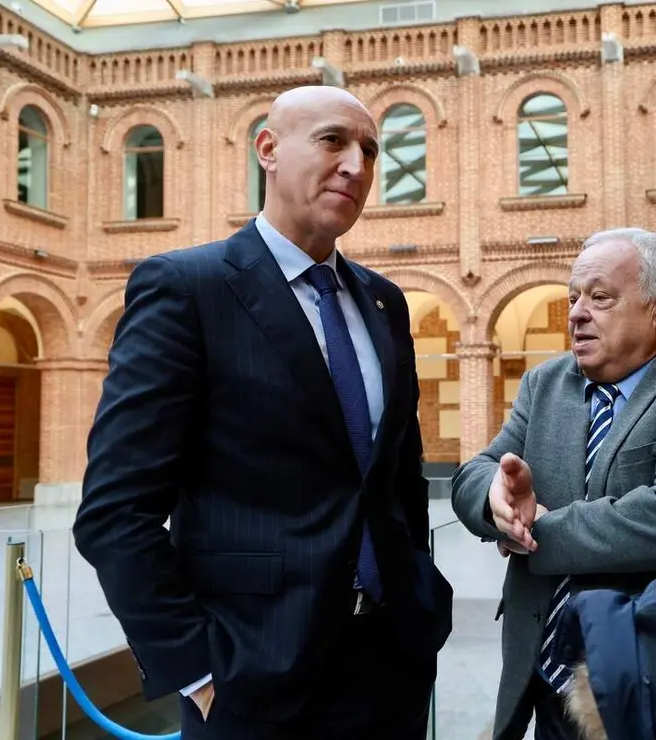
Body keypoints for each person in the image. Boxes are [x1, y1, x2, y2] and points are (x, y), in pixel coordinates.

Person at [72, 85, 451, 740]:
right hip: (253, 684)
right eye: (333, 141)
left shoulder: (383, 304)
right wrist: (199, 675)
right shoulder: (188, 289)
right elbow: (115, 512)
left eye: (369, 150)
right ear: (268, 151)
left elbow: (400, 481)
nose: (356, 166)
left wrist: (418, 604)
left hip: (390, 669)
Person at [450, 228, 656, 740]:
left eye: (599, 297)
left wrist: (536, 534)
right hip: (540, 666)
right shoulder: (545, 383)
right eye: (573, 297)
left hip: (631, 673)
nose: (575, 313)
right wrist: (496, 501)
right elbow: (477, 470)